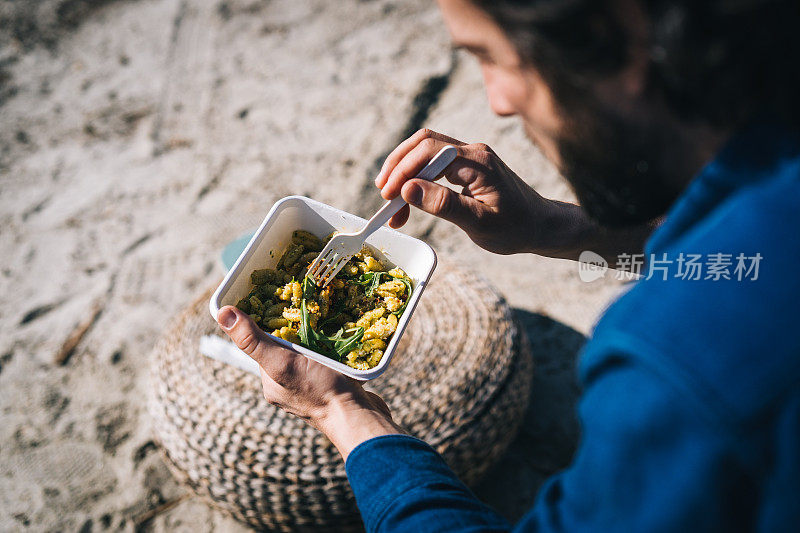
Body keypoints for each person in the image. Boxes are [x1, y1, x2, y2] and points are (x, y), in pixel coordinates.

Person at [215, 0, 800, 530]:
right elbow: (736, 262)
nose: (496, 102)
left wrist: (342, 409)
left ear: (611, 31)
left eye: (491, 57)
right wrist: (552, 227)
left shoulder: (672, 371)